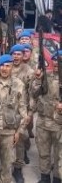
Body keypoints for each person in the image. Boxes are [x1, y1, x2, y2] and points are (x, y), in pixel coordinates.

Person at [0, 54, 28, 183]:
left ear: (12, 67)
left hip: (10, 132)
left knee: (7, 164)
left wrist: (19, 132)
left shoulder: (19, 84)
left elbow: (23, 111)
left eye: (7, 66)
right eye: (2, 66)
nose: (4, 69)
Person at [31, 50, 61, 183]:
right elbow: (33, 93)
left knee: (59, 155)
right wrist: (37, 79)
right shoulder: (44, 76)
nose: (57, 63)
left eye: (60, 60)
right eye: (55, 60)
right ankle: (44, 177)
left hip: (59, 124)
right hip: (43, 122)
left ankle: (57, 177)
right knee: (43, 152)